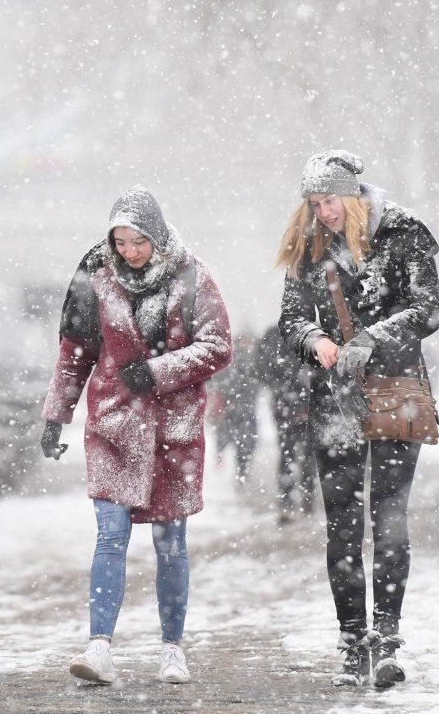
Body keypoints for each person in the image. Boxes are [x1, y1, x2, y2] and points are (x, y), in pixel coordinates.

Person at [40, 186, 232, 686]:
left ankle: (172, 648)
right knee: (110, 536)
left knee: (171, 543)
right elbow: (75, 352)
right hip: (113, 427)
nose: (129, 252)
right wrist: (56, 415)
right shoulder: (94, 278)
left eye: (139, 241)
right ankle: (98, 645)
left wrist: (159, 371)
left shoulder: (192, 278)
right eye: (121, 242)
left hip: (173, 432)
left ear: (158, 236)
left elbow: (217, 346)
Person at [276, 150, 439, 688]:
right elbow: (291, 317)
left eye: (331, 201)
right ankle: (352, 641)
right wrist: (314, 340)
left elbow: (427, 309)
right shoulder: (310, 245)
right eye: (315, 203)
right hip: (336, 398)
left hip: (397, 390)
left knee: (390, 518)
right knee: (343, 524)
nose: (324, 212)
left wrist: (372, 339)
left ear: (352, 194)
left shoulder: (404, 232)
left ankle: (387, 638)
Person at [254, 323, 316, 523]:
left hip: (287, 404)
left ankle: (290, 502)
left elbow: (260, 368)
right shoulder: (314, 331)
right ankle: (305, 500)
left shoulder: (274, 334)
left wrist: (279, 384)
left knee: (288, 451)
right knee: (305, 452)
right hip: (302, 402)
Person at [209, 331, 261, 484]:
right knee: (236, 440)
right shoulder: (234, 360)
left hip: (244, 409)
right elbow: (220, 380)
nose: (247, 344)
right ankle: (234, 470)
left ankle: (241, 472)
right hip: (233, 409)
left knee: (245, 443)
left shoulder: (254, 360)